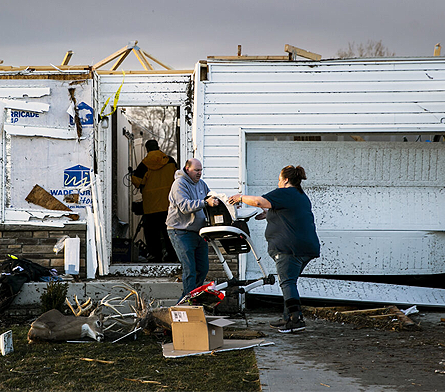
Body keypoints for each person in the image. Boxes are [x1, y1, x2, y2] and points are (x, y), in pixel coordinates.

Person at [229, 165, 320, 333]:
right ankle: (287, 317)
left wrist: (240, 198)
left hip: (289, 248)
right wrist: (269, 214)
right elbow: (289, 214)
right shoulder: (301, 196)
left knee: (287, 282)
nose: (278, 182)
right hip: (306, 247)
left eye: (279, 179)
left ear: (286, 179)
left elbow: (257, 201)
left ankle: (296, 320)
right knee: (290, 282)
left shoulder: (285, 192)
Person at [166, 158, 220, 299]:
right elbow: (185, 207)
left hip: (200, 232)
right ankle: (190, 303)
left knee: (202, 269)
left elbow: (210, 201)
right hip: (180, 231)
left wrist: (224, 204)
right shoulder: (179, 184)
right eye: (196, 170)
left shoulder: (202, 184)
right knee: (190, 269)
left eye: (201, 170)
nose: (199, 173)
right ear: (187, 169)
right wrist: (205, 202)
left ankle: (189, 299)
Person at [132, 139, 177, 262]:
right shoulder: (170, 161)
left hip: (151, 205)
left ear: (147, 149)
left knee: (152, 233)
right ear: (158, 147)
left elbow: (136, 181)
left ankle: (155, 256)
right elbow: (178, 177)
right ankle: (172, 255)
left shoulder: (144, 164)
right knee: (168, 231)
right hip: (168, 204)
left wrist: (133, 175)